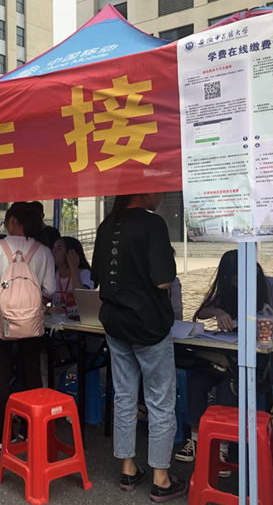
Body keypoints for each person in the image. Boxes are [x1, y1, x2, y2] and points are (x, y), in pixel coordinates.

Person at [175, 249, 273, 468]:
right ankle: (197, 439)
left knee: (228, 386)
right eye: (231, 281)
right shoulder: (228, 289)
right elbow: (201, 313)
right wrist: (218, 311)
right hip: (229, 355)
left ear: (254, 272)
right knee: (196, 382)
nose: (236, 285)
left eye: (239, 279)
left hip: (267, 359)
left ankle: (221, 448)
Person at [91, 193, 187, 502]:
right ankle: (161, 478)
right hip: (149, 325)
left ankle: (128, 469)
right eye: (158, 189)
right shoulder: (152, 224)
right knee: (160, 401)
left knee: (124, 396)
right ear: (142, 191)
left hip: (115, 324)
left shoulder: (106, 225)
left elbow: (96, 277)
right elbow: (163, 281)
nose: (162, 195)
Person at [0, 202, 56, 449]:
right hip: (31, 323)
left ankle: (2, 434)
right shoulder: (43, 250)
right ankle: (30, 429)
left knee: (0, 374)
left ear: (12, 220)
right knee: (31, 373)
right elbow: (50, 289)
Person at [51, 237, 92, 318]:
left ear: (71, 253)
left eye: (58, 249)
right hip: (61, 323)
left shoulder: (84, 273)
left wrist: (73, 267)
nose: (53, 252)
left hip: (81, 322)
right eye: (53, 248)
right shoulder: (54, 275)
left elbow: (81, 298)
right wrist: (48, 309)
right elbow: (40, 302)